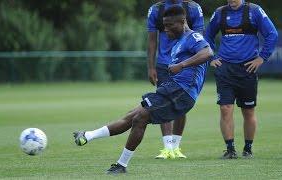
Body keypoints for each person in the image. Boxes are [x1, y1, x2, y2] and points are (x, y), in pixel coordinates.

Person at [73, 6, 213, 174]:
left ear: (183, 22)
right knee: (133, 115)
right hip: (173, 89)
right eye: (164, 26)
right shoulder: (178, 43)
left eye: (169, 25)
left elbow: (208, 52)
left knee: (140, 117)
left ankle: (121, 165)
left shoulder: (193, 36)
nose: (166, 29)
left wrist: (181, 65)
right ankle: (88, 135)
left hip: (182, 92)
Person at [205, 0, 278, 159]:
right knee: (225, 109)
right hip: (225, 69)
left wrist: (262, 58)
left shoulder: (255, 11)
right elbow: (207, 35)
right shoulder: (220, 12)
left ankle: (248, 148)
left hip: (247, 69)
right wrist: (211, 57)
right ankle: (230, 150)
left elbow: (272, 34)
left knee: (248, 111)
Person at [147, 0, 204, 159]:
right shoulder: (156, 10)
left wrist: (191, 64)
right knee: (162, 102)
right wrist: (151, 67)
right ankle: (167, 148)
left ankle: (176, 147)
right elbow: (152, 41)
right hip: (164, 64)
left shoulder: (192, 8)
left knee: (180, 106)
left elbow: (200, 39)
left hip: (185, 65)